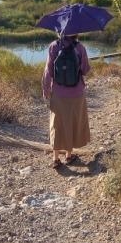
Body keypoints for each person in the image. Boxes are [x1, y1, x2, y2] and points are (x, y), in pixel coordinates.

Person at [42, 33, 91, 169]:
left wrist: (45, 90)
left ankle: (55, 159)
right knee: (73, 122)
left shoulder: (54, 46)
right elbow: (85, 71)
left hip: (58, 93)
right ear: (76, 33)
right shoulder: (80, 47)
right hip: (77, 93)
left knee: (57, 124)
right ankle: (69, 156)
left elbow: (48, 71)